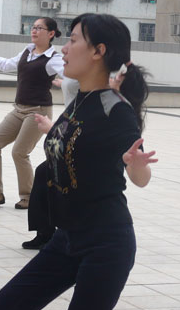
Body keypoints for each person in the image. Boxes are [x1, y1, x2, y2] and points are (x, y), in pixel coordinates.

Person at [0, 13, 158, 310]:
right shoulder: (80, 99)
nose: (64, 48)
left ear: (98, 51)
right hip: (66, 239)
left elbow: (140, 177)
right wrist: (53, 129)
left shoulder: (115, 108)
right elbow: (80, 137)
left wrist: (136, 165)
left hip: (105, 243)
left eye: (74, 40)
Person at [0, 17, 64, 209]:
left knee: (19, 152)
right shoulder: (27, 51)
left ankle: (29, 197)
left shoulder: (54, 58)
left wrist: (67, 83)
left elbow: (72, 74)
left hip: (38, 111)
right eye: (33, 27)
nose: (34, 31)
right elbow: (6, 65)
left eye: (39, 28)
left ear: (51, 34)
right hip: (19, 109)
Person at [21, 73, 121, 250]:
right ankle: (45, 232)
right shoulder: (80, 80)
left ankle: (59, 232)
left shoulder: (105, 95)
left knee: (53, 176)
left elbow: (90, 133)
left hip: (83, 151)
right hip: (71, 135)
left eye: (73, 43)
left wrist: (52, 129)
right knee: (44, 172)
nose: (66, 50)